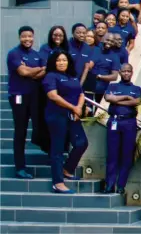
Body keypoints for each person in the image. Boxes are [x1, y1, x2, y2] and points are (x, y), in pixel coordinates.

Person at [42, 51, 88, 193]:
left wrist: (78, 108)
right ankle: (57, 182)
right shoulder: (51, 76)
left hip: (72, 115)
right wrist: (73, 108)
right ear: (53, 62)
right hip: (56, 116)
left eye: (64, 60)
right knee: (58, 149)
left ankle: (67, 169)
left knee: (81, 143)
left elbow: (81, 94)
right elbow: (53, 96)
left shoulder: (72, 77)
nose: (62, 62)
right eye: (58, 60)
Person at [7, 26, 45, 179]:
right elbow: (23, 72)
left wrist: (31, 70)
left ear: (33, 37)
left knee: (40, 126)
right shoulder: (14, 54)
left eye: (30, 36)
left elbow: (41, 73)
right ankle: (20, 167)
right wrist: (37, 69)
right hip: (18, 95)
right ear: (19, 37)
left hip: (34, 96)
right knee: (20, 131)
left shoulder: (37, 54)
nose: (27, 39)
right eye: (24, 36)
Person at [101, 63, 141, 194]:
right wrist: (126, 97)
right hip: (114, 121)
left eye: (128, 71)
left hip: (129, 122)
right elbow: (108, 97)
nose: (126, 73)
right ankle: (109, 184)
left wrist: (116, 100)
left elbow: (137, 101)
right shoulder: (113, 86)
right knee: (112, 154)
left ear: (132, 72)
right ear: (119, 72)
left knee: (127, 155)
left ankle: (121, 185)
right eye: (123, 71)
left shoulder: (136, 89)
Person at [90, 34, 119, 103]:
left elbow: (114, 76)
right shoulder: (94, 50)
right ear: (102, 39)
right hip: (88, 87)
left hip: (101, 90)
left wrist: (99, 76)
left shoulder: (115, 57)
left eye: (112, 41)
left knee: (95, 110)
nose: (109, 42)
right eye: (107, 40)